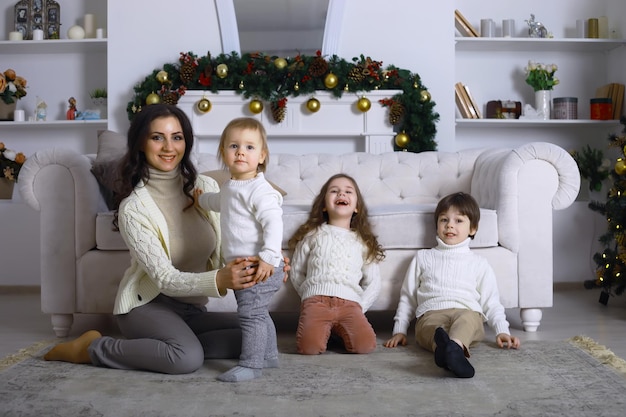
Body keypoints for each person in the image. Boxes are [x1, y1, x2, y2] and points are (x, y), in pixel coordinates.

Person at [44, 104, 288, 375]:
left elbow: (228, 247)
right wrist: (219, 280)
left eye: (177, 137)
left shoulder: (205, 189)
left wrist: (266, 262)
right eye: (157, 137)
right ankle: (93, 348)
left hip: (191, 309)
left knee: (253, 334)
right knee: (186, 359)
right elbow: (163, 279)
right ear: (140, 143)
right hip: (147, 306)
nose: (168, 147)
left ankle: (168, 345)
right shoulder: (134, 208)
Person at [384, 192, 520, 378]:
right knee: (432, 328)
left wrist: (501, 330)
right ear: (437, 225)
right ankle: (449, 349)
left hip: (467, 310)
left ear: (472, 228)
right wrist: (399, 330)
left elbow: (491, 301)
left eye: (458, 221)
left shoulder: (479, 263)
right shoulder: (423, 257)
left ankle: (451, 348)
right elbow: (408, 296)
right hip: (431, 313)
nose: (450, 225)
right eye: (444, 220)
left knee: (467, 321)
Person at [196, 117, 284, 382]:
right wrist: (199, 199)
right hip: (243, 266)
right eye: (234, 146)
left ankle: (251, 364)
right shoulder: (230, 186)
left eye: (249, 147)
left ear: (262, 156)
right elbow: (217, 202)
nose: (241, 152)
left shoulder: (260, 190)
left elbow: (273, 222)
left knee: (250, 314)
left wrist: (269, 257)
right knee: (258, 312)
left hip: (260, 265)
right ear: (223, 152)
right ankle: (268, 356)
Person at [288, 173, 385, 355]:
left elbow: (373, 281)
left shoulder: (362, 241)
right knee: (308, 348)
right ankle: (327, 331)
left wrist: (360, 306)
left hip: (350, 303)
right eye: (334, 191)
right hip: (316, 301)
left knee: (366, 346)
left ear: (357, 207)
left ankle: (336, 332)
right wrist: (308, 296)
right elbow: (297, 271)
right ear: (324, 205)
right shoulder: (313, 234)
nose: (341, 194)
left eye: (348, 191)